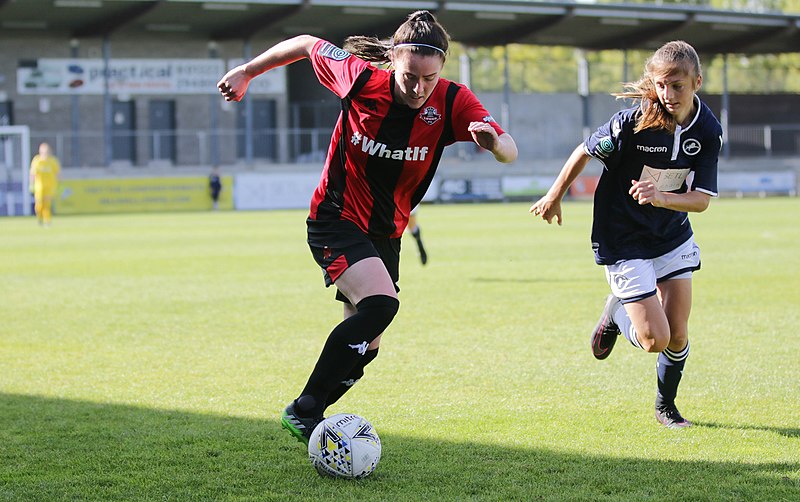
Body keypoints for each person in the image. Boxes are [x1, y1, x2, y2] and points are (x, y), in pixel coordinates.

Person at [218, 10, 517, 445]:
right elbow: (305, 42)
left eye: (429, 78)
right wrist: (247, 72)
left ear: (442, 70)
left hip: (386, 234)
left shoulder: (453, 101)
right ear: (393, 61)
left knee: (366, 350)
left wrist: (492, 144)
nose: (419, 88)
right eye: (410, 76)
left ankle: (316, 416)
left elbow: (509, 149)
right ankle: (305, 410)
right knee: (382, 304)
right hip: (335, 218)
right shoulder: (360, 79)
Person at [529, 41, 721, 429]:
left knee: (678, 334)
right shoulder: (631, 123)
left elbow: (701, 201)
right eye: (661, 85)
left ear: (697, 82)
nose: (668, 95)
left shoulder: (708, 130)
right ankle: (616, 312)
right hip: (622, 238)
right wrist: (554, 196)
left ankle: (666, 408)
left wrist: (663, 197)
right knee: (655, 340)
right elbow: (583, 151)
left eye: (678, 86)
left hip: (671, 237)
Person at [29, 142, 61, 226]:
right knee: (39, 205)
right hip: (39, 187)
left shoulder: (53, 161)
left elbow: (57, 173)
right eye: (43, 152)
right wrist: (31, 184)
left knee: (47, 205)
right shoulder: (37, 160)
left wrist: (59, 184)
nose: (45, 154)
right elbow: (32, 173)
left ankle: (47, 221)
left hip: (50, 187)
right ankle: (39, 217)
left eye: (46, 152)